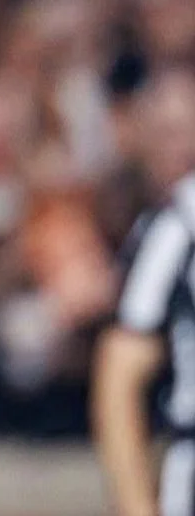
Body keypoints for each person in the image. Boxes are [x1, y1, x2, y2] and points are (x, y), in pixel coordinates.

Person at [92, 69, 195, 516]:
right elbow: (122, 367)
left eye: (180, 132)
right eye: (160, 134)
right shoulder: (177, 224)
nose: (171, 148)